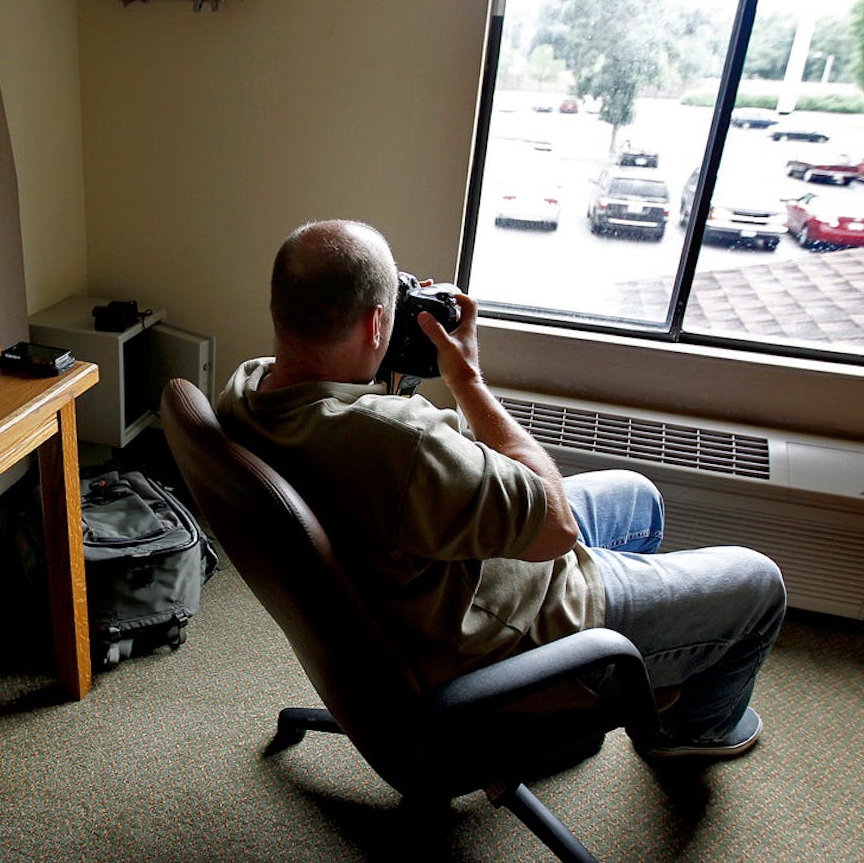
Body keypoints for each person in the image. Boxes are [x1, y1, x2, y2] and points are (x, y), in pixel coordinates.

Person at [217, 218, 786, 760]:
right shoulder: (400, 443)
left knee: (636, 496)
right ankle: (690, 729)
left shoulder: (246, 391)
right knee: (760, 583)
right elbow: (557, 528)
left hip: (430, 584)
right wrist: (467, 378)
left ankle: (634, 672)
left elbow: (409, 462)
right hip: (513, 628)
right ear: (375, 325)